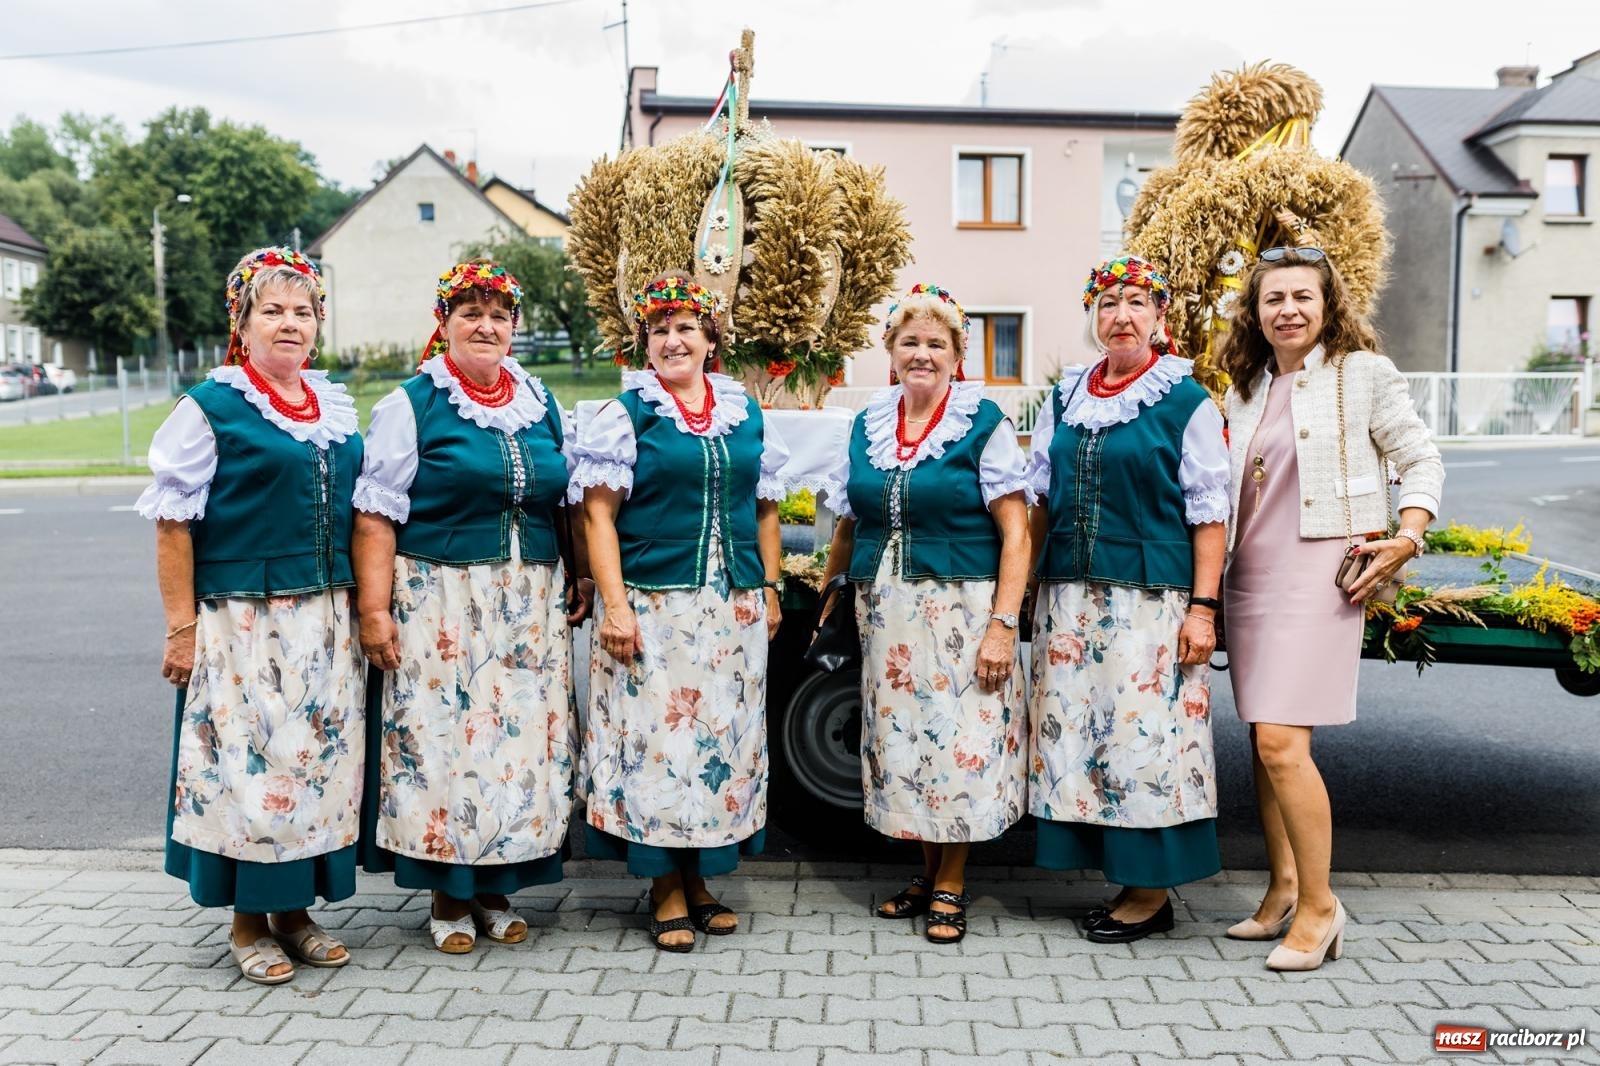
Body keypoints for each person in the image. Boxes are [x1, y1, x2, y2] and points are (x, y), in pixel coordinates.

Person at [138, 247, 363, 985]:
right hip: (244, 621)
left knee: (313, 766)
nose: (289, 324)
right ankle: (247, 924)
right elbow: (174, 524)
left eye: (303, 311)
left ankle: (296, 913)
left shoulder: (330, 406)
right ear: (242, 323)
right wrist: (181, 625)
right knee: (248, 768)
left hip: (326, 615)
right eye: (272, 310)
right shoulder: (210, 407)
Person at [352, 260, 590, 954]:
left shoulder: (539, 399)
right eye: (470, 313)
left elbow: (565, 498)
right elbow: (375, 514)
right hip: (442, 598)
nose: (485, 326)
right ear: (445, 324)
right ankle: (447, 894)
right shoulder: (414, 403)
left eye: (499, 315)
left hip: (528, 601)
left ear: (515, 327)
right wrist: (375, 611)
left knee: (516, 746)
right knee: (445, 742)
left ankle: (496, 887)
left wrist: (577, 575)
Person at [1220, 245, 1442, 971]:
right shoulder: (1244, 387)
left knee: (1285, 744)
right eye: (1272, 298)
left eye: (1301, 297)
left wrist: (1407, 536)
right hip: (1250, 573)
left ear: (1327, 305)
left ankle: (1321, 907)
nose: (1287, 309)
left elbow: (1420, 456)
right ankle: (1283, 887)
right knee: (1264, 743)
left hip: (1321, 573)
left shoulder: (1361, 374)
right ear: (1255, 313)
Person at [571, 273, 789, 952]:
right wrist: (614, 604)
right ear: (646, 343)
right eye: (660, 330)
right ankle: (664, 888)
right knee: (658, 746)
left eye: (686, 328)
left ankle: (701, 881)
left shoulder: (743, 412)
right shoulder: (627, 414)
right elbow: (597, 517)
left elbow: (765, 505)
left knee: (717, 742)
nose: (672, 340)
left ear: (710, 340)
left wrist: (773, 585)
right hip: (654, 606)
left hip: (732, 608)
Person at [816, 283, 1031, 945]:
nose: (923, 354)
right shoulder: (870, 423)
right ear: (891, 350)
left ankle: (952, 882)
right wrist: (830, 583)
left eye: (937, 343)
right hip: (887, 611)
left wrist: (1003, 622)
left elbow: (1017, 533)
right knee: (906, 744)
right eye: (910, 341)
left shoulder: (982, 421)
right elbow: (850, 518)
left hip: (963, 609)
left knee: (959, 745)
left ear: (957, 353)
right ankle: (927, 870)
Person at [1024, 255, 1229, 944]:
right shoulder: (1064, 396)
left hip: (1149, 602)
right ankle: (1119, 878)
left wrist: (1204, 607)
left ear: (1159, 317)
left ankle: (1149, 892)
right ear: (1092, 316)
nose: (1121, 315)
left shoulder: (1184, 400)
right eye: (1108, 302)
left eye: (1137, 302)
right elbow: (1037, 498)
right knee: (1084, 738)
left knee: (1146, 741)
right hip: (1069, 596)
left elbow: (1208, 512)